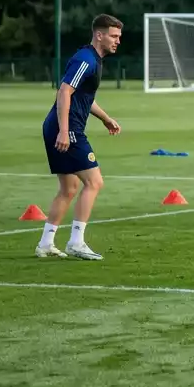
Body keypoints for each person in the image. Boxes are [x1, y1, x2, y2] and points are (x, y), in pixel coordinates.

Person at [37, 14, 124, 261]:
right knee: (94, 182)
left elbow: (84, 97)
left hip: (60, 126)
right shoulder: (86, 60)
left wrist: (105, 118)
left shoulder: (92, 59)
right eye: (114, 36)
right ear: (99, 35)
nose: (118, 41)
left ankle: (46, 243)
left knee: (69, 187)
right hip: (67, 128)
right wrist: (64, 131)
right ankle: (76, 242)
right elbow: (64, 92)